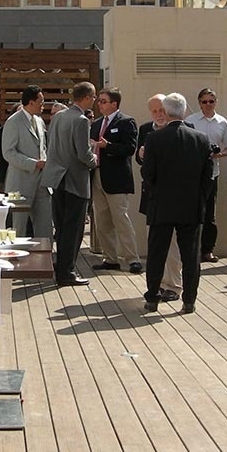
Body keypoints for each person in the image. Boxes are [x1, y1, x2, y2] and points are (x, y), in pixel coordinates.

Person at [141, 93, 213, 314]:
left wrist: (155, 194)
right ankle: (189, 300)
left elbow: (147, 173)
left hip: (161, 206)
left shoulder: (154, 139)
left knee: (156, 253)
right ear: (184, 111)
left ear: (166, 111)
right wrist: (200, 200)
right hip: (191, 207)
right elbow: (207, 177)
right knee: (191, 256)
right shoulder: (201, 139)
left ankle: (153, 298)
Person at [43, 81, 98, 286]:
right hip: (74, 180)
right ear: (86, 97)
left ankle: (62, 267)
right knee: (73, 229)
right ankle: (67, 272)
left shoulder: (58, 117)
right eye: (93, 97)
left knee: (62, 227)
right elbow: (83, 153)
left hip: (57, 178)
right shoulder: (81, 120)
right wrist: (94, 160)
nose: (94, 101)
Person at [89, 88, 142, 274]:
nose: (100, 104)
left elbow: (129, 148)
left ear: (114, 104)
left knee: (121, 220)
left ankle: (132, 259)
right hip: (97, 176)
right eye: (99, 101)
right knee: (102, 221)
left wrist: (107, 146)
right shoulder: (95, 124)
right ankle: (110, 259)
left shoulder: (127, 122)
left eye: (103, 101)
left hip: (117, 179)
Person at [137, 93, 181, 302]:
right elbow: (139, 159)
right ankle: (160, 284)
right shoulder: (145, 130)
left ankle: (173, 285)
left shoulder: (182, 130)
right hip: (152, 198)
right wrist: (142, 155)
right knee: (155, 245)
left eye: (161, 110)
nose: (158, 114)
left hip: (174, 199)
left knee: (172, 245)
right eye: (154, 111)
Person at [185, 88, 227, 263]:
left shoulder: (222, 122)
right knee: (191, 213)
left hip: (212, 173)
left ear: (216, 102)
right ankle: (191, 249)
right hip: (192, 174)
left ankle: (207, 250)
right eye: (204, 102)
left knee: (209, 215)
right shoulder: (190, 121)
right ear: (199, 103)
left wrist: (218, 155)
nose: (208, 105)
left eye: (211, 101)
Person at [2, 85, 51, 238]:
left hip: (42, 183)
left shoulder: (39, 121)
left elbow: (42, 148)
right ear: (31, 102)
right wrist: (33, 163)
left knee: (45, 227)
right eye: (41, 102)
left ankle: (45, 259)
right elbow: (8, 152)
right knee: (19, 228)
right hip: (21, 184)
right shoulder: (13, 122)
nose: (43, 105)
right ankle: (17, 259)